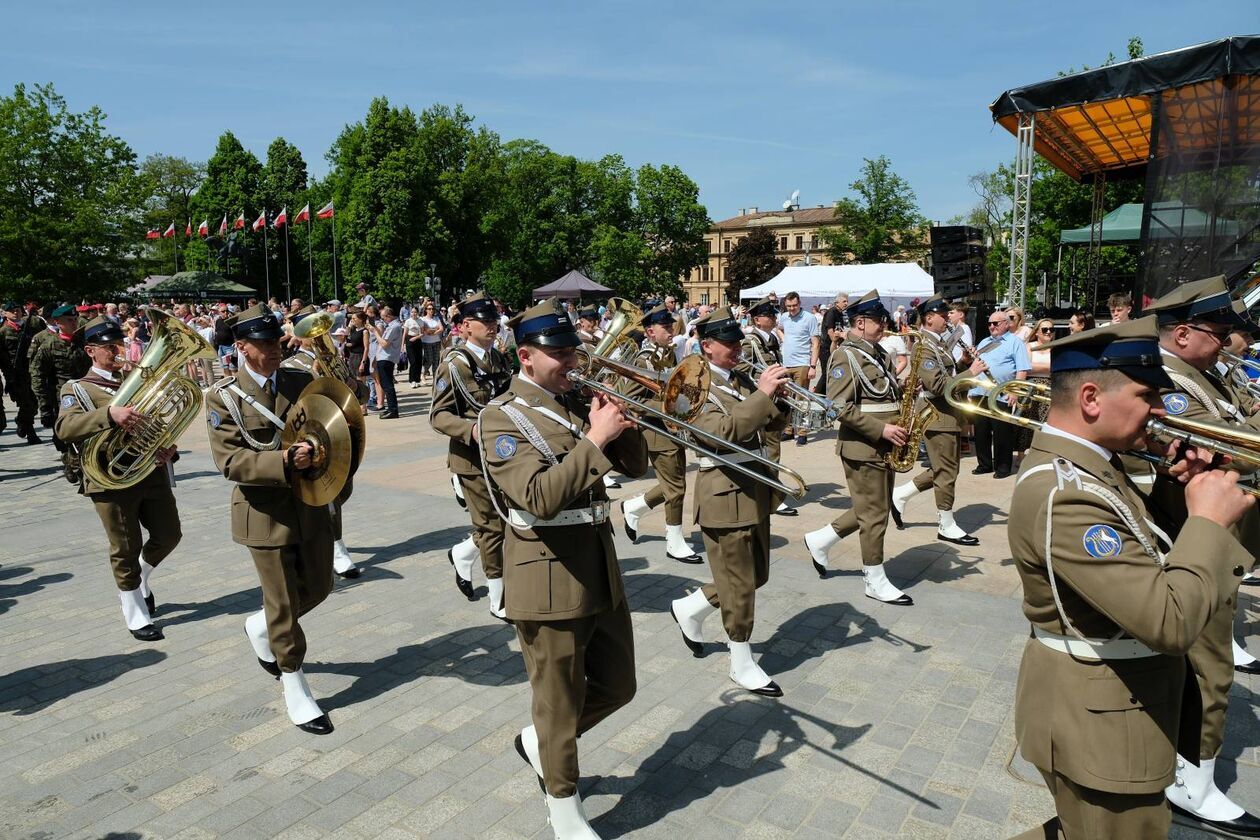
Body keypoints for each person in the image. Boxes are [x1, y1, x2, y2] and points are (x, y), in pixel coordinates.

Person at [1007, 315, 1252, 840]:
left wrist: (1181, 489)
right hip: (1103, 722)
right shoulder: (1066, 490)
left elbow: (1147, 548)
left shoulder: (1100, 463)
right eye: (1148, 396)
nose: (1163, 412)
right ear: (1091, 398)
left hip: (1113, 710)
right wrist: (1210, 521)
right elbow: (1168, 621)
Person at [478, 298, 647, 836]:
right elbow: (539, 495)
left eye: (573, 349)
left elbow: (636, 466)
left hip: (598, 564)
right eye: (560, 353)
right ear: (526, 356)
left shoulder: (576, 402)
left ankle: (541, 742)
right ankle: (563, 803)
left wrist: (626, 425)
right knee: (557, 699)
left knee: (620, 686)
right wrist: (597, 437)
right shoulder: (500, 418)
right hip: (546, 572)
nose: (572, 360)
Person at [1140, 276, 1260, 834]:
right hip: (1191, 537)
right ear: (1183, 334)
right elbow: (1219, 447)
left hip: (1222, 537)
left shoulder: (1208, 373)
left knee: (1207, 661)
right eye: (1220, 333)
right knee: (1210, 668)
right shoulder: (1166, 380)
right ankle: (1194, 782)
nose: (1229, 342)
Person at [205, 303, 337, 736]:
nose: (274, 347)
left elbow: (333, 416)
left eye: (275, 339)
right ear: (242, 347)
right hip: (264, 515)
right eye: (262, 342)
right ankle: (295, 684)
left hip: (312, 504)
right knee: (282, 605)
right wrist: (283, 459)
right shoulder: (223, 397)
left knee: (319, 585)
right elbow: (230, 461)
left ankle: (259, 626)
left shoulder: (301, 379)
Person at [669, 306, 790, 696]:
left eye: (739, 341)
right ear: (706, 346)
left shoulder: (739, 379)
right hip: (723, 492)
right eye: (729, 343)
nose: (737, 348)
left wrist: (778, 402)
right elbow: (722, 432)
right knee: (739, 584)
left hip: (753, 485)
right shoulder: (691, 387)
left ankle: (692, 607)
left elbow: (764, 425)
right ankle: (741, 660)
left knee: (756, 576)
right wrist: (762, 395)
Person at [55, 316, 181, 642]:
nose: (116, 351)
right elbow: (64, 429)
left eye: (118, 345)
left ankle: (139, 579)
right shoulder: (77, 388)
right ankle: (135, 611)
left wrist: (167, 447)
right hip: (109, 479)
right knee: (124, 546)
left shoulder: (134, 378)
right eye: (108, 347)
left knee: (169, 535)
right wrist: (108, 415)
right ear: (90, 351)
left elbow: (156, 420)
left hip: (148, 471)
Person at [803, 290, 913, 605]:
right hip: (863, 448)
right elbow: (836, 408)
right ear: (861, 322)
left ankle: (820, 540)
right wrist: (882, 429)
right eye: (880, 321)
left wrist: (904, 387)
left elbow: (879, 395)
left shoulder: (879, 353)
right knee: (876, 513)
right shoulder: (845, 356)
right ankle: (874, 579)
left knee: (873, 508)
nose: (886, 326)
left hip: (885, 446)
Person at [429, 293, 513, 619]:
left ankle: (463, 553)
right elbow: (438, 416)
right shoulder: (454, 365)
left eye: (494, 321)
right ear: (466, 326)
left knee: (503, 518)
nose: (493, 326)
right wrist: (471, 430)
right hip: (472, 460)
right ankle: (499, 598)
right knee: (493, 526)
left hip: (502, 454)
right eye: (485, 321)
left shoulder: (498, 360)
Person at [890, 296, 986, 545]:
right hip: (937, 414)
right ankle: (946, 523)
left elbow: (946, 372)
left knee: (946, 468)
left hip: (948, 414)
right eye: (944, 316)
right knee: (947, 472)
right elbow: (938, 385)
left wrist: (963, 363)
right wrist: (971, 373)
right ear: (929, 318)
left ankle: (901, 494)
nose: (948, 320)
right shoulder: (923, 345)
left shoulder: (938, 343)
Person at [280, 306, 364, 580]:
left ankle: (326, 540)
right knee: (329, 499)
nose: (320, 335)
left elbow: (360, 395)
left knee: (342, 492)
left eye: (323, 328)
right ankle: (337, 550)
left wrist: (347, 379)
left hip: (341, 437)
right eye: (313, 330)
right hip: (313, 441)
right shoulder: (291, 367)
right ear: (298, 333)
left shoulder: (334, 360)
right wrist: (317, 375)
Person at [620, 304, 704, 562]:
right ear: (650, 332)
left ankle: (634, 507)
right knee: (676, 489)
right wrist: (669, 408)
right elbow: (630, 401)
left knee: (675, 483)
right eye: (664, 327)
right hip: (656, 431)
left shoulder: (669, 355)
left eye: (671, 325)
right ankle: (674, 540)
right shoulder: (644, 359)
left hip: (671, 428)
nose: (670, 329)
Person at [739, 295, 798, 517]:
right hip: (764, 403)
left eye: (774, 313)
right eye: (768, 314)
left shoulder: (770, 340)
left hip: (775, 402)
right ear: (756, 319)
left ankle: (770, 490)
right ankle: (773, 496)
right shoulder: (750, 342)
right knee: (770, 450)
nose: (773, 317)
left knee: (773, 449)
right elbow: (742, 373)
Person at [969, 309, 1031, 478]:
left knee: (1002, 432)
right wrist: (970, 388)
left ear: (1006, 324)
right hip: (979, 391)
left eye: (995, 323)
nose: (991, 326)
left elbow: (1022, 369)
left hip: (1002, 393)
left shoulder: (1015, 342)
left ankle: (1003, 467)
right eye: (989, 324)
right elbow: (975, 366)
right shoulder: (983, 342)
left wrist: (1015, 392)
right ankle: (984, 464)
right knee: (981, 431)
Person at [29, 304, 90, 452]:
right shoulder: (49, 345)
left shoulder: (83, 342)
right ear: (57, 322)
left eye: (75, 319)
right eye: (69, 320)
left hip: (86, 395)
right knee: (66, 441)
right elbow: (37, 375)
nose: (74, 323)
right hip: (62, 400)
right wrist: (45, 406)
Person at [776, 291, 820, 445]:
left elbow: (815, 343)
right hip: (786, 363)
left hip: (802, 363)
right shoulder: (784, 317)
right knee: (787, 398)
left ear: (799, 303)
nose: (792, 309)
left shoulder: (809, 318)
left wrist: (813, 366)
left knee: (801, 399)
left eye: (794, 305)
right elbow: (779, 328)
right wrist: (784, 339)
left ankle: (802, 432)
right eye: (789, 306)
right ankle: (788, 430)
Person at [1, 300, 44, 444]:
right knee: (26, 402)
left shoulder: (29, 326)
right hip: (15, 374)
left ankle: (21, 420)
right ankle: (31, 432)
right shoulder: (3, 331)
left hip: (32, 370)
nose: (16, 312)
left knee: (35, 401)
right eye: (12, 310)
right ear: (5, 313)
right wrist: (8, 375)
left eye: (18, 309)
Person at [1012, 318, 1054, 459]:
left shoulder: (1056, 347)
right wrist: (1048, 368)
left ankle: (1042, 455)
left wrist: (1035, 367)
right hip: (1029, 385)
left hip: (1049, 386)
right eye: (1045, 329)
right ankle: (1021, 454)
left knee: (1045, 421)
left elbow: (1053, 369)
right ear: (1037, 332)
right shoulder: (1029, 346)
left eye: (1051, 329)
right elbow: (1025, 367)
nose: (1048, 332)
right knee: (1025, 420)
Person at [368, 306, 402, 418]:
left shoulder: (394, 326)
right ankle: (391, 408)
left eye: (383, 318)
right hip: (384, 357)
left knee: (387, 385)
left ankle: (393, 410)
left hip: (387, 358)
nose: (383, 320)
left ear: (389, 316)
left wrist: (374, 332)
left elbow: (384, 343)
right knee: (385, 384)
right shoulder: (392, 326)